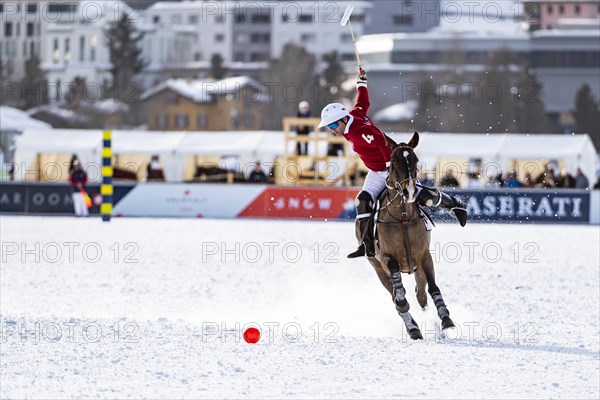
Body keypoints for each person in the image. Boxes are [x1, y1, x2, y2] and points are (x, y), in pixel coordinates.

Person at [318, 68, 467, 259]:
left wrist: (391, 168)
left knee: (415, 194)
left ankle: (455, 204)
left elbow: (382, 141)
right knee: (362, 200)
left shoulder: (358, 131)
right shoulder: (355, 115)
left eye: (332, 125)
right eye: (329, 127)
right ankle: (366, 244)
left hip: (387, 169)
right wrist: (361, 83)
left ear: (343, 119)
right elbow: (363, 102)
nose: (331, 130)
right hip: (375, 171)